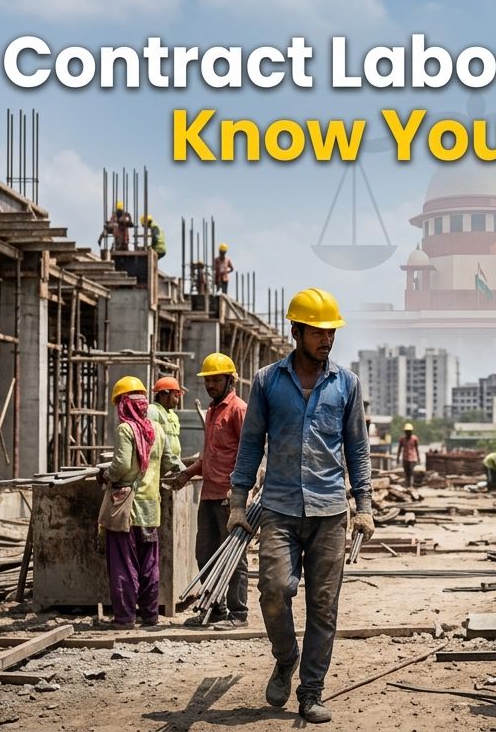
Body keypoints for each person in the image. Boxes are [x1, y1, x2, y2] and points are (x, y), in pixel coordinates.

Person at [228, 287, 373, 724]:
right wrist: (238, 501)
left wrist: (363, 504)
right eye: (317, 332)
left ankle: (311, 692)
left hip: (330, 511)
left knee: (323, 606)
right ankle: (285, 656)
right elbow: (251, 443)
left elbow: (358, 449)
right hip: (278, 508)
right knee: (274, 590)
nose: (326, 339)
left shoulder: (346, 384)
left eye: (331, 332)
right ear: (296, 331)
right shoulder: (269, 382)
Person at [168, 353, 249, 627]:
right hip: (208, 494)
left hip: (230, 497)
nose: (211, 384)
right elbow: (211, 455)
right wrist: (187, 474)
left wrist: (239, 491)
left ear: (230, 379)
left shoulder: (238, 409)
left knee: (233, 556)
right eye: (208, 380)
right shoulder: (213, 411)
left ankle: (239, 614)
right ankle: (215, 608)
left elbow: (250, 452)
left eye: (216, 379)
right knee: (205, 553)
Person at [100, 376, 180, 628]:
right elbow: (169, 462)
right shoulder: (156, 429)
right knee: (149, 564)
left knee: (124, 562)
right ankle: (150, 615)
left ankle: (124, 618)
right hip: (150, 506)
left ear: (124, 404)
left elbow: (122, 465)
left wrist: (106, 475)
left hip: (127, 508)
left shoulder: (126, 429)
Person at [149, 377, 184, 463]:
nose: (177, 400)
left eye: (178, 396)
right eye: (175, 396)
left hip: (173, 463)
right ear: (163, 394)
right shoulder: (153, 411)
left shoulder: (173, 415)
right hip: (158, 463)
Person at [398, 422, 421, 489]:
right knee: (406, 472)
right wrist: (397, 458)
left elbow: (417, 448)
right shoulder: (402, 439)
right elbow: (399, 449)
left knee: (411, 472)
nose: (408, 433)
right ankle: (407, 484)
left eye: (409, 431)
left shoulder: (414, 439)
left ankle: (411, 485)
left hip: (413, 459)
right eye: (407, 431)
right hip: (405, 458)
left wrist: (419, 458)